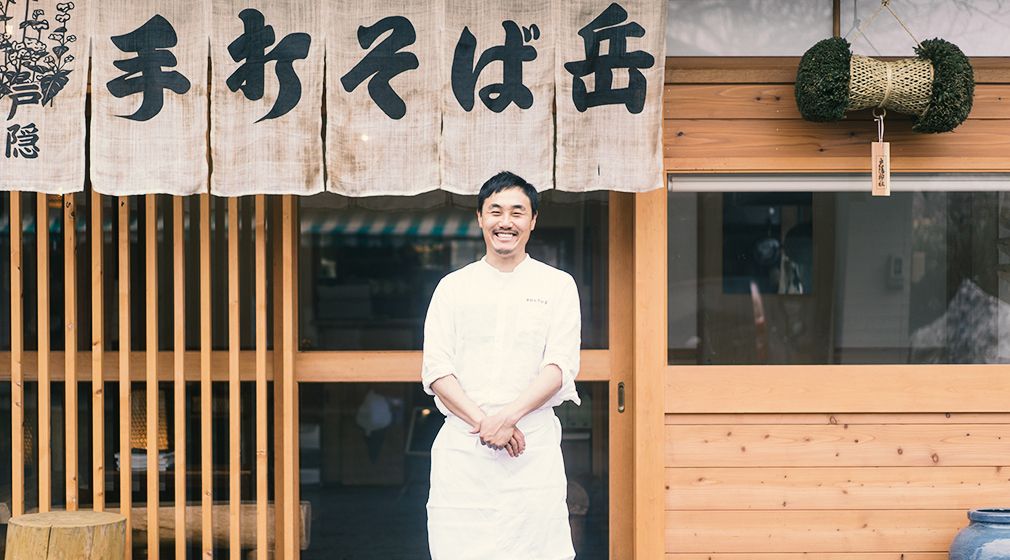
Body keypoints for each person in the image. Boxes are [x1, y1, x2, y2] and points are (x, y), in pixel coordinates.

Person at [422, 171, 581, 560]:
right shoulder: (453, 287)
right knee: (460, 548)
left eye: (517, 212)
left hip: (531, 446)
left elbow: (559, 366)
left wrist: (508, 418)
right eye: (495, 211)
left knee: (536, 548)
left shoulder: (557, 285)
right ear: (480, 218)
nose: (505, 222)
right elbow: (437, 370)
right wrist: (486, 424)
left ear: (533, 221)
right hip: (464, 448)